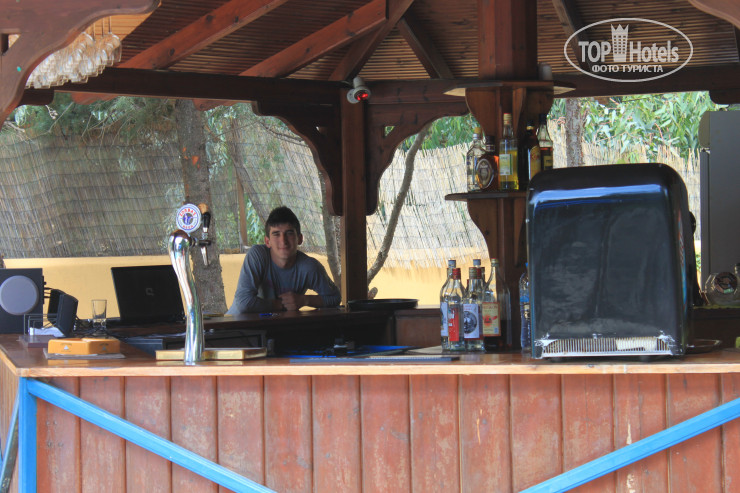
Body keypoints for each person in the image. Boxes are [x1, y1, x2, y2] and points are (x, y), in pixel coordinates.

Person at [227, 206, 340, 314]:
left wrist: (304, 300)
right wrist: (280, 305)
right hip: (235, 324)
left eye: (289, 233)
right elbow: (243, 303)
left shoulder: (309, 267)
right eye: (276, 234)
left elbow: (335, 298)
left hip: (276, 325)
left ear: (300, 239)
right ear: (267, 242)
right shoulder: (257, 256)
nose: (283, 241)